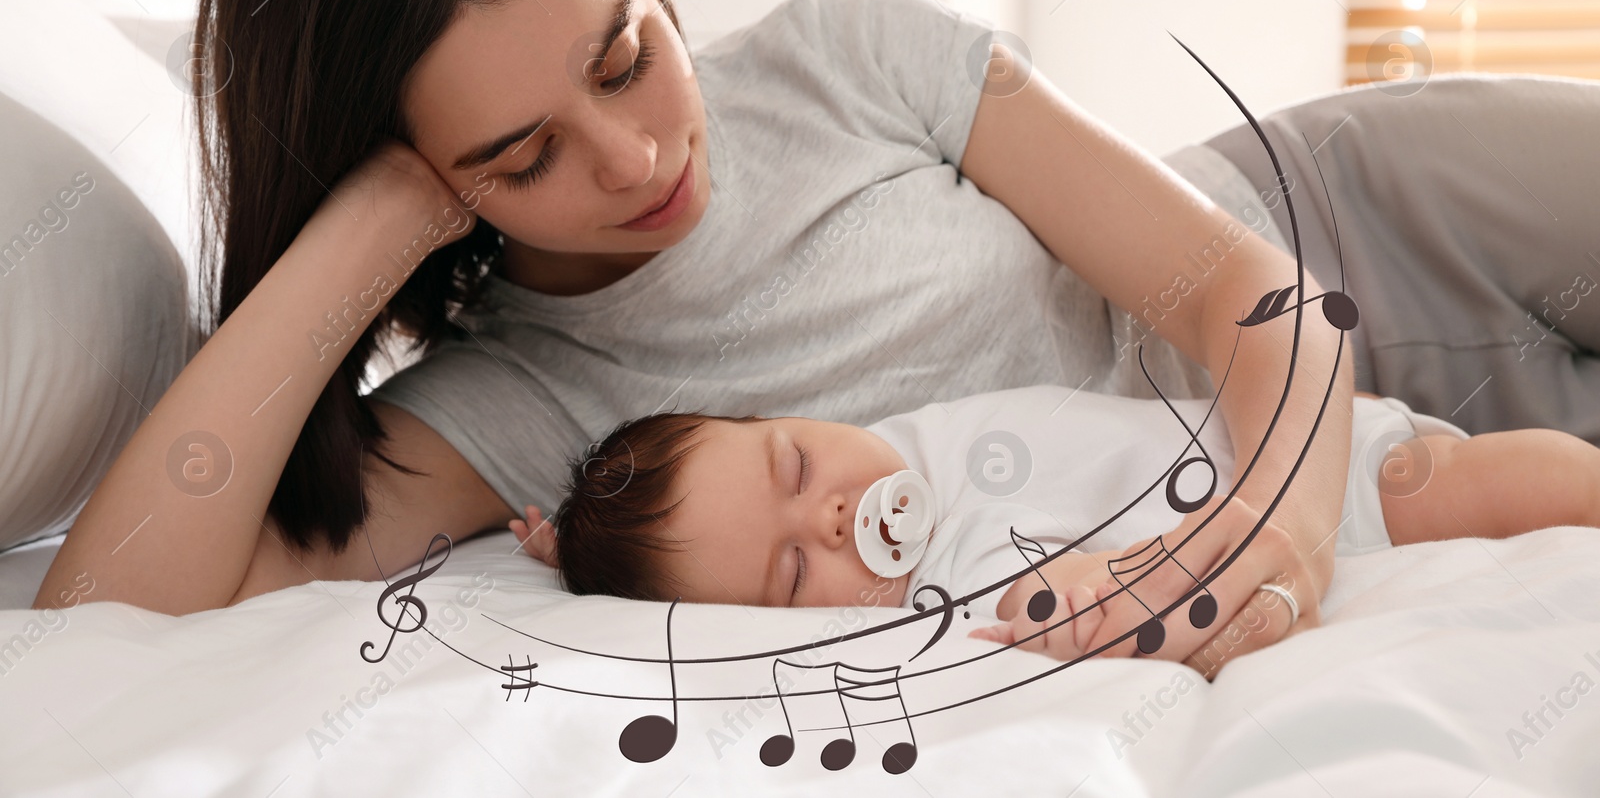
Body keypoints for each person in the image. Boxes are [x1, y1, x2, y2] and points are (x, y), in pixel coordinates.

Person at [24, 0, 1547, 681]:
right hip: (1403, 449)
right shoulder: (512, 408)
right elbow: (103, 623)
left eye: (622, 52)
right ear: (426, 180)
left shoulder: (841, 47)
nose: (635, 159)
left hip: (1346, 229)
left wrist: (1275, 530)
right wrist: (363, 232)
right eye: (520, 151)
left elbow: (1227, 277)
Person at [515, 382, 1600, 679]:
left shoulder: (910, 436)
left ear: (781, 415)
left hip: (1320, 471)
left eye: (797, 465)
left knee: (1491, 478)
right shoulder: (918, 618)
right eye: (794, 568)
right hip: (1222, 573)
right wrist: (580, 550)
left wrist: (591, 520)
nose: (833, 513)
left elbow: (690, 508)